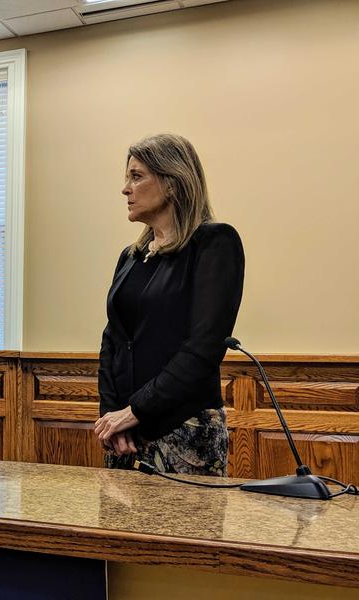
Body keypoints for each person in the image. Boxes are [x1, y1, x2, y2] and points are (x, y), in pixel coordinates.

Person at [93, 134, 244, 476]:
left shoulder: (214, 243)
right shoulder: (130, 257)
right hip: (123, 434)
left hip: (185, 429)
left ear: (173, 183)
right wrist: (112, 415)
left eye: (137, 176)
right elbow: (112, 340)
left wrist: (137, 411)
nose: (125, 189)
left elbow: (203, 347)